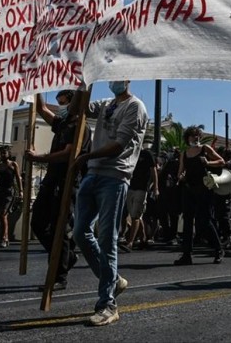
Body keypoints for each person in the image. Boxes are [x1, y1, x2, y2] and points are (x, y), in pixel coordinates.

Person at [72, 80, 149, 327]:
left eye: (118, 77)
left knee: (106, 239)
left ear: (127, 80)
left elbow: (118, 146)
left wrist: (86, 155)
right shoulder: (105, 104)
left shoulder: (135, 107)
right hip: (92, 174)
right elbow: (76, 109)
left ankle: (108, 305)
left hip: (114, 177)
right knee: (80, 233)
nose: (113, 81)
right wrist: (82, 84)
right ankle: (113, 280)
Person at [27, 89, 85, 291]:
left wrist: (38, 158)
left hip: (66, 182)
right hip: (50, 181)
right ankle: (65, 257)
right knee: (38, 223)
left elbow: (67, 155)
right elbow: (42, 109)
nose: (59, 106)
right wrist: (36, 86)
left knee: (61, 227)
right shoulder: (63, 123)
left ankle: (59, 276)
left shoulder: (79, 126)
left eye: (63, 102)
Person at [174, 125, 225, 266]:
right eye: (192, 136)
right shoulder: (184, 153)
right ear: (187, 138)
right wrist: (181, 177)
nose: (195, 138)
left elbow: (221, 161)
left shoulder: (205, 149)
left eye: (197, 135)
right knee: (188, 221)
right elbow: (180, 172)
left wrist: (208, 162)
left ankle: (218, 249)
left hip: (204, 188)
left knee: (204, 221)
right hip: (189, 189)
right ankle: (186, 255)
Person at [121, 146, 158, 252]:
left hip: (142, 188)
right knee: (136, 215)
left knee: (135, 215)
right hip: (130, 187)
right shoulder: (130, 153)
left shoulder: (146, 154)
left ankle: (130, 243)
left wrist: (155, 187)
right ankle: (143, 238)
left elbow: (153, 170)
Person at [0, 146, 22, 248]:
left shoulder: (13, 164)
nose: (2, 155)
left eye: (4, 153)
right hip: (0, 191)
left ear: (8, 154)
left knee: (3, 213)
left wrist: (21, 191)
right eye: (1, 153)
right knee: (1, 215)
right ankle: (5, 238)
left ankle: (4, 239)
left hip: (9, 192)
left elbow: (18, 178)